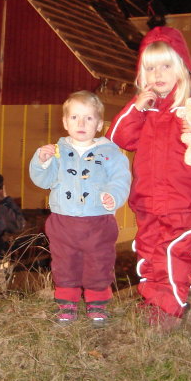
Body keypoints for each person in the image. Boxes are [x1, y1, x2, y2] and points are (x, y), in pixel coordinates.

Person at [107, 26, 191, 331]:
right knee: (150, 253)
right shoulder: (145, 111)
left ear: (182, 67)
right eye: (150, 68)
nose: (158, 74)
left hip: (184, 201)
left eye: (166, 65)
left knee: (175, 253)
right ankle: (153, 301)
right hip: (148, 201)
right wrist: (135, 108)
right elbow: (119, 137)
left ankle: (168, 311)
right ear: (142, 74)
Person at [29, 91, 131, 327]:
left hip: (98, 222)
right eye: (75, 117)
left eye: (88, 118)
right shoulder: (56, 151)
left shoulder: (110, 154)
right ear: (65, 122)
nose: (81, 123)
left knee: (99, 262)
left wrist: (113, 196)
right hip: (63, 221)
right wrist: (42, 161)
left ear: (98, 124)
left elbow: (120, 179)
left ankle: (97, 304)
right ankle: (67, 305)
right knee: (64, 263)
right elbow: (43, 180)